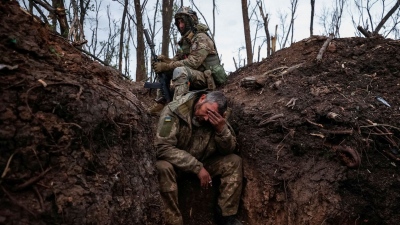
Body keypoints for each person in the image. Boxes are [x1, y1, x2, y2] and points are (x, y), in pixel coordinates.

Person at [155, 91, 243, 225]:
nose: (207, 118)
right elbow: (162, 147)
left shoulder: (218, 118)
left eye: (212, 116)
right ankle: (173, 221)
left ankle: (225, 217)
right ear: (202, 99)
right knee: (162, 167)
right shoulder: (174, 111)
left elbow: (228, 150)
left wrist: (221, 130)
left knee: (234, 161)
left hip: (204, 162)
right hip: (177, 166)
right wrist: (197, 167)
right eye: (207, 111)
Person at [148, 6, 227, 116]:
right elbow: (175, 60)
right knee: (166, 70)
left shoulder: (201, 38)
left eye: (183, 22)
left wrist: (167, 66)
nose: (180, 26)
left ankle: (178, 108)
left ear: (190, 21)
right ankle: (162, 102)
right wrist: (164, 61)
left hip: (207, 78)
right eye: (178, 22)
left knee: (180, 71)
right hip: (193, 75)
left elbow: (193, 62)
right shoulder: (185, 41)